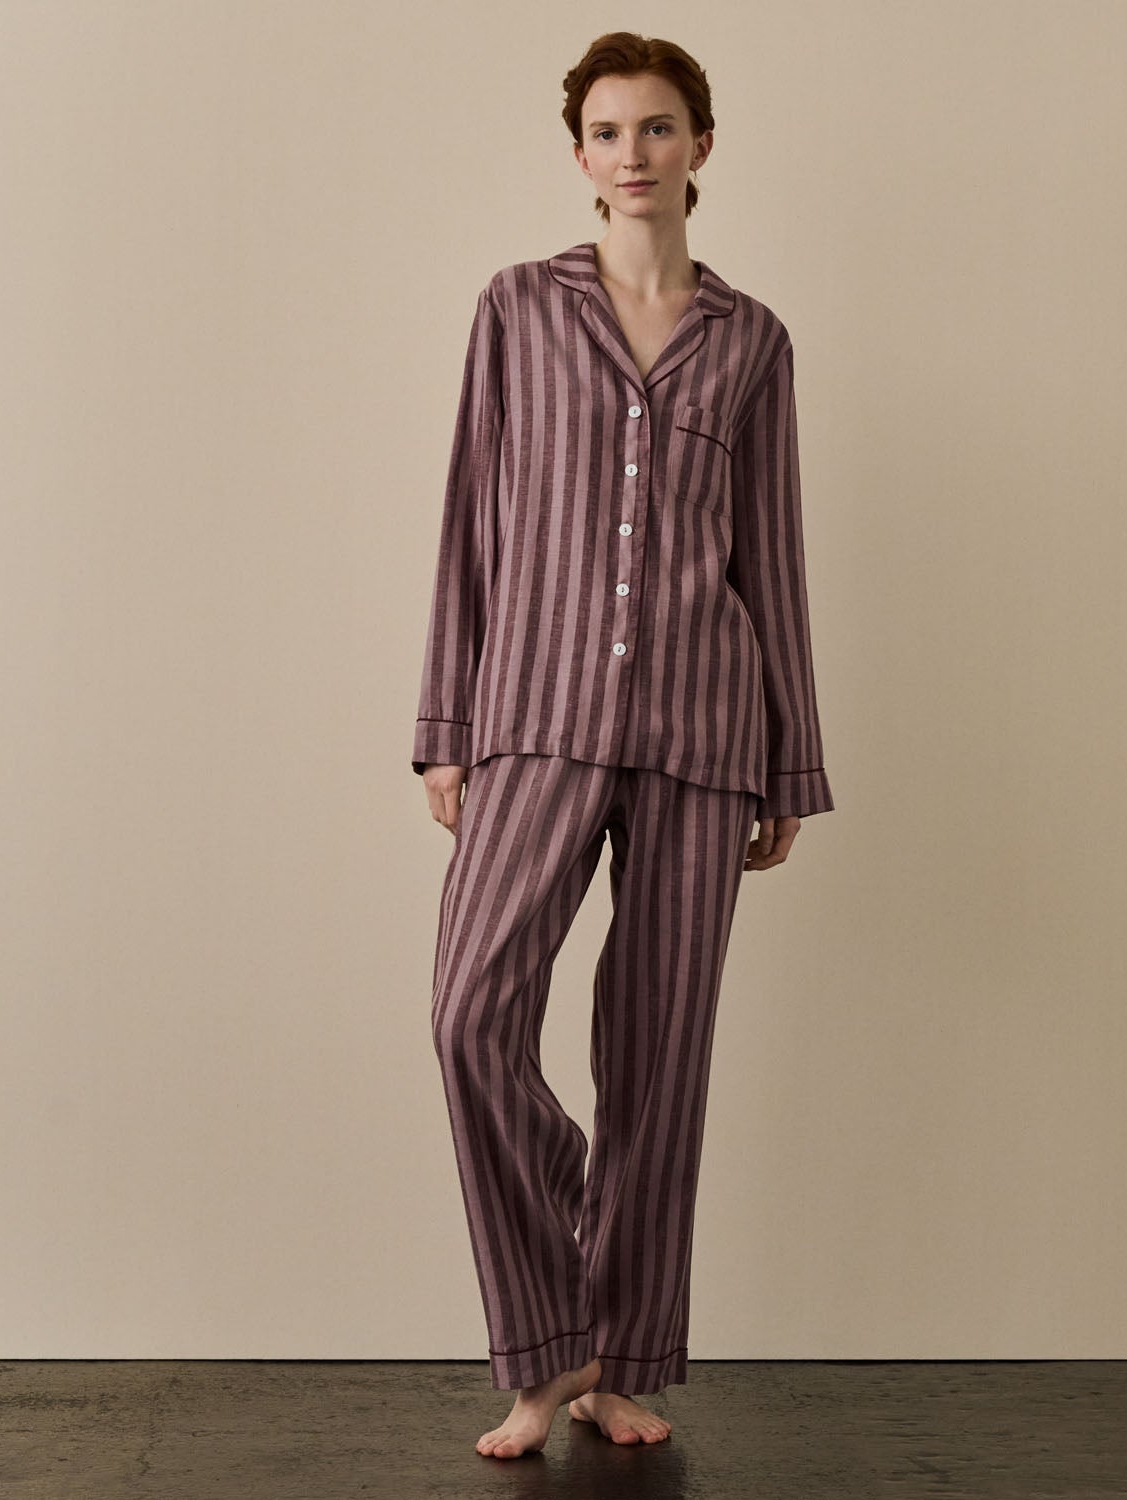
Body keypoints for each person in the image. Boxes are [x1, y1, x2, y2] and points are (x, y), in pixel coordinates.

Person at [413, 31, 836, 1460]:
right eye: (608, 130)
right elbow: (471, 521)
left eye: (659, 127)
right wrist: (446, 727)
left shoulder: (752, 342)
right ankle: (554, 1340)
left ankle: (619, 1365)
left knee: (660, 1060)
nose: (634, 152)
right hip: (533, 716)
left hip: (705, 735)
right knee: (471, 1014)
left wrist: (790, 763)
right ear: (580, 154)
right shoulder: (518, 310)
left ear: (701, 145)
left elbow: (771, 559)